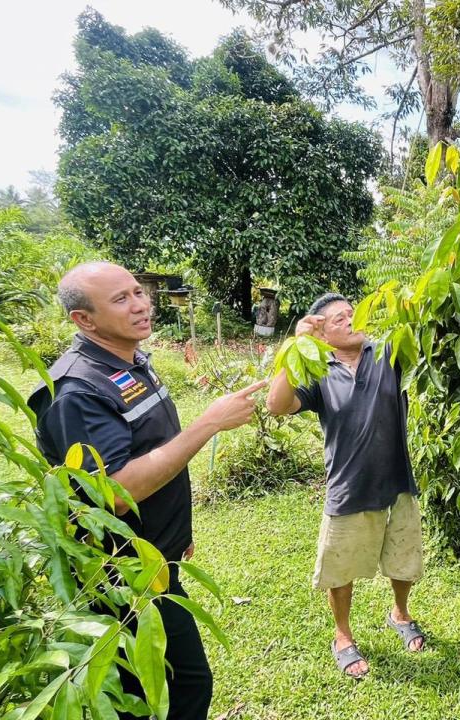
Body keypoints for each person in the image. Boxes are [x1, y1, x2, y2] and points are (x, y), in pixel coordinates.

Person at [28, 261, 265, 719]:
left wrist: (176, 536)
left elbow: (153, 451)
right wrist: (210, 422)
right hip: (120, 572)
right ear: (84, 320)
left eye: (138, 292)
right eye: (121, 299)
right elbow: (112, 493)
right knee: (170, 687)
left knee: (169, 681)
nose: (141, 305)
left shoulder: (129, 362)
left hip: (156, 558)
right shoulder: (76, 392)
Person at [266, 292, 427, 679]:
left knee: (403, 556)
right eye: (338, 319)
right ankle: (342, 635)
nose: (351, 321)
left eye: (352, 314)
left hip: (397, 478)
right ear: (321, 333)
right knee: (340, 568)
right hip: (348, 484)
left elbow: (426, 343)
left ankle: (400, 614)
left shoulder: (389, 352)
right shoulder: (317, 370)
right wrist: (294, 347)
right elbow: (276, 405)